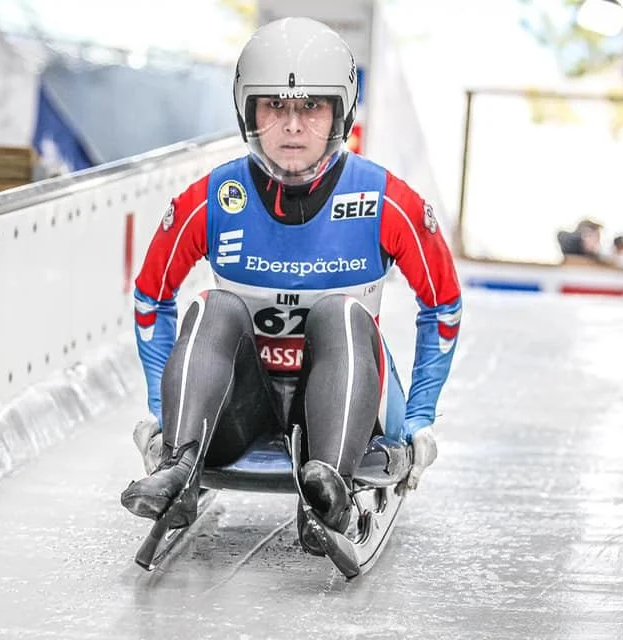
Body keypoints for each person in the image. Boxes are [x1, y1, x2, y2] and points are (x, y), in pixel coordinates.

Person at [120, 17, 463, 554]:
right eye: (274, 106)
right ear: (248, 112)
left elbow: (442, 303)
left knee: (342, 315)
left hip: (347, 410)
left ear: (340, 112)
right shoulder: (214, 198)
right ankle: (179, 466)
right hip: (241, 408)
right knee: (214, 307)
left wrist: (419, 415)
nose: (293, 125)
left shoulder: (385, 200)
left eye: (311, 106)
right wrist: (164, 416)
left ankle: (332, 483)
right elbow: (151, 296)